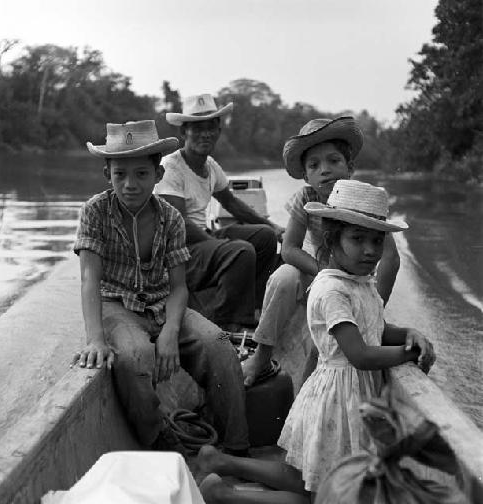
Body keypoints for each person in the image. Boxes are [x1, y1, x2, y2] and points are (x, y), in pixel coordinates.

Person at [197, 179, 436, 503]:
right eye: (357, 239)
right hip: (337, 399)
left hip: (348, 395)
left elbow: (373, 327)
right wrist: (407, 354)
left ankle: (222, 462)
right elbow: (360, 354)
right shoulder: (332, 289)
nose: (369, 250)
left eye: (377, 241)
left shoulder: (361, 284)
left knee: (301, 477)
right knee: (317, 495)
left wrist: (408, 333)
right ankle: (225, 495)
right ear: (331, 241)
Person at [71, 120, 249, 456]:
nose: (130, 184)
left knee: (219, 346)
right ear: (106, 175)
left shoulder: (171, 218)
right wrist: (95, 339)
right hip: (116, 305)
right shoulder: (95, 211)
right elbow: (89, 280)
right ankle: (157, 437)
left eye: (141, 174)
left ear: (158, 174)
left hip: (162, 302)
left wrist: (170, 331)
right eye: (119, 174)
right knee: (136, 357)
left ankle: (235, 450)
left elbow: (179, 288)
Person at [242, 117, 401, 386]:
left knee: (323, 348)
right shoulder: (306, 199)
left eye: (334, 161)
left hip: (355, 281)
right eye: (314, 165)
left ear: (349, 167)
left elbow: (391, 259)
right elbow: (290, 249)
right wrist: (324, 274)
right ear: (305, 175)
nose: (324, 170)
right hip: (316, 273)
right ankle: (261, 355)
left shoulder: (361, 202)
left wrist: (376, 308)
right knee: (283, 277)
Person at [155, 94, 284, 332]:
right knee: (239, 251)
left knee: (264, 237)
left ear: (218, 131)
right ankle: (227, 323)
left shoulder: (210, 166)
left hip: (203, 239)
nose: (205, 134)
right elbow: (177, 224)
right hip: (178, 252)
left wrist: (275, 228)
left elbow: (232, 203)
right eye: (197, 128)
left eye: (211, 128)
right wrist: (217, 243)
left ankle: (255, 309)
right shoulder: (171, 167)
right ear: (184, 132)